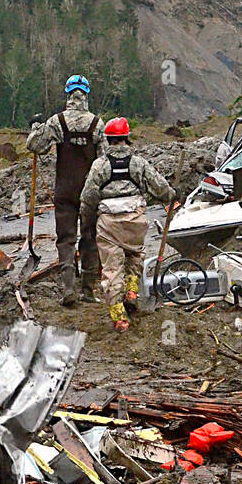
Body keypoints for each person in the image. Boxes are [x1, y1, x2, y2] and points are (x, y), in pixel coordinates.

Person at [79, 117, 179, 333]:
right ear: (127, 137)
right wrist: (172, 195)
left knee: (112, 269)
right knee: (135, 254)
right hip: (135, 219)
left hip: (108, 224)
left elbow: (88, 198)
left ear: (108, 140)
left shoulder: (99, 165)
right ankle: (132, 292)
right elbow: (161, 189)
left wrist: (86, 223)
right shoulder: (139, 163)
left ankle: (119, 318)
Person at [26, 75, 106, 306]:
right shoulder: (97, 124)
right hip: (90, 191)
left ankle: (68, 289)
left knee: (66, 239)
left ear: (68, 94)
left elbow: (35, 146)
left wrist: (35, 127)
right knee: (90, 238)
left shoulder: (56, 122)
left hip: (65, 190)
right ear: (86, 95)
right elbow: (104, 161)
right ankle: (89, 291)